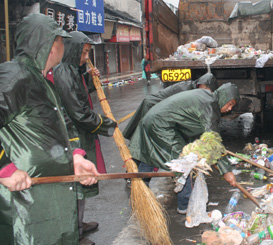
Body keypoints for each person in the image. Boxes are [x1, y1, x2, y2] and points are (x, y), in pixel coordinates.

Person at [0, 13, 99, 244]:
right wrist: (4, 169)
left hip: (46, 197)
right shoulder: (14, 76)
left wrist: (75, 157)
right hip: (24, 200)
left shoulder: (41, 80)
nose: (64, 46)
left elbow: (58, 126)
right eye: (61, 40)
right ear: (48, 44)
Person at [128, 83, 239, 214]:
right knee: (186, 163)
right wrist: (226, 171)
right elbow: (213, 141)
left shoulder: (207, 97)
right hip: (163, 126)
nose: (229, 109)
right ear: (224, 97)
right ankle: (185, 205)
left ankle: (139, 191)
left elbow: (198, 130)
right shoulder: (210, 106)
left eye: (232, 106)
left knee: (150, 156)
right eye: (229, 103)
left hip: (154, 120)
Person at [53, 31, 117, 244]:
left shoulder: (74, 70)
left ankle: (79, 224)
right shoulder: (63, 71)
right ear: (72, 50)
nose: (85, 58)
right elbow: (77, 111)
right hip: (75, 135)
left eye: (88, 53)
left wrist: (90, 78)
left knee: (83, 182)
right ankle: (75, 233)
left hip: (83, 133)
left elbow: (81, 94)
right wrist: (105, 124)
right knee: (77, 182)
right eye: (83, 53)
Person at [122, 72, 218, 140]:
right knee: (145, 138)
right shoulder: (186, 89)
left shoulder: (193, 89)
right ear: (200, 84)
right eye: (205, 89)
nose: (205, 93)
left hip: (157, 109)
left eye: (208, 90)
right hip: (152, 105)